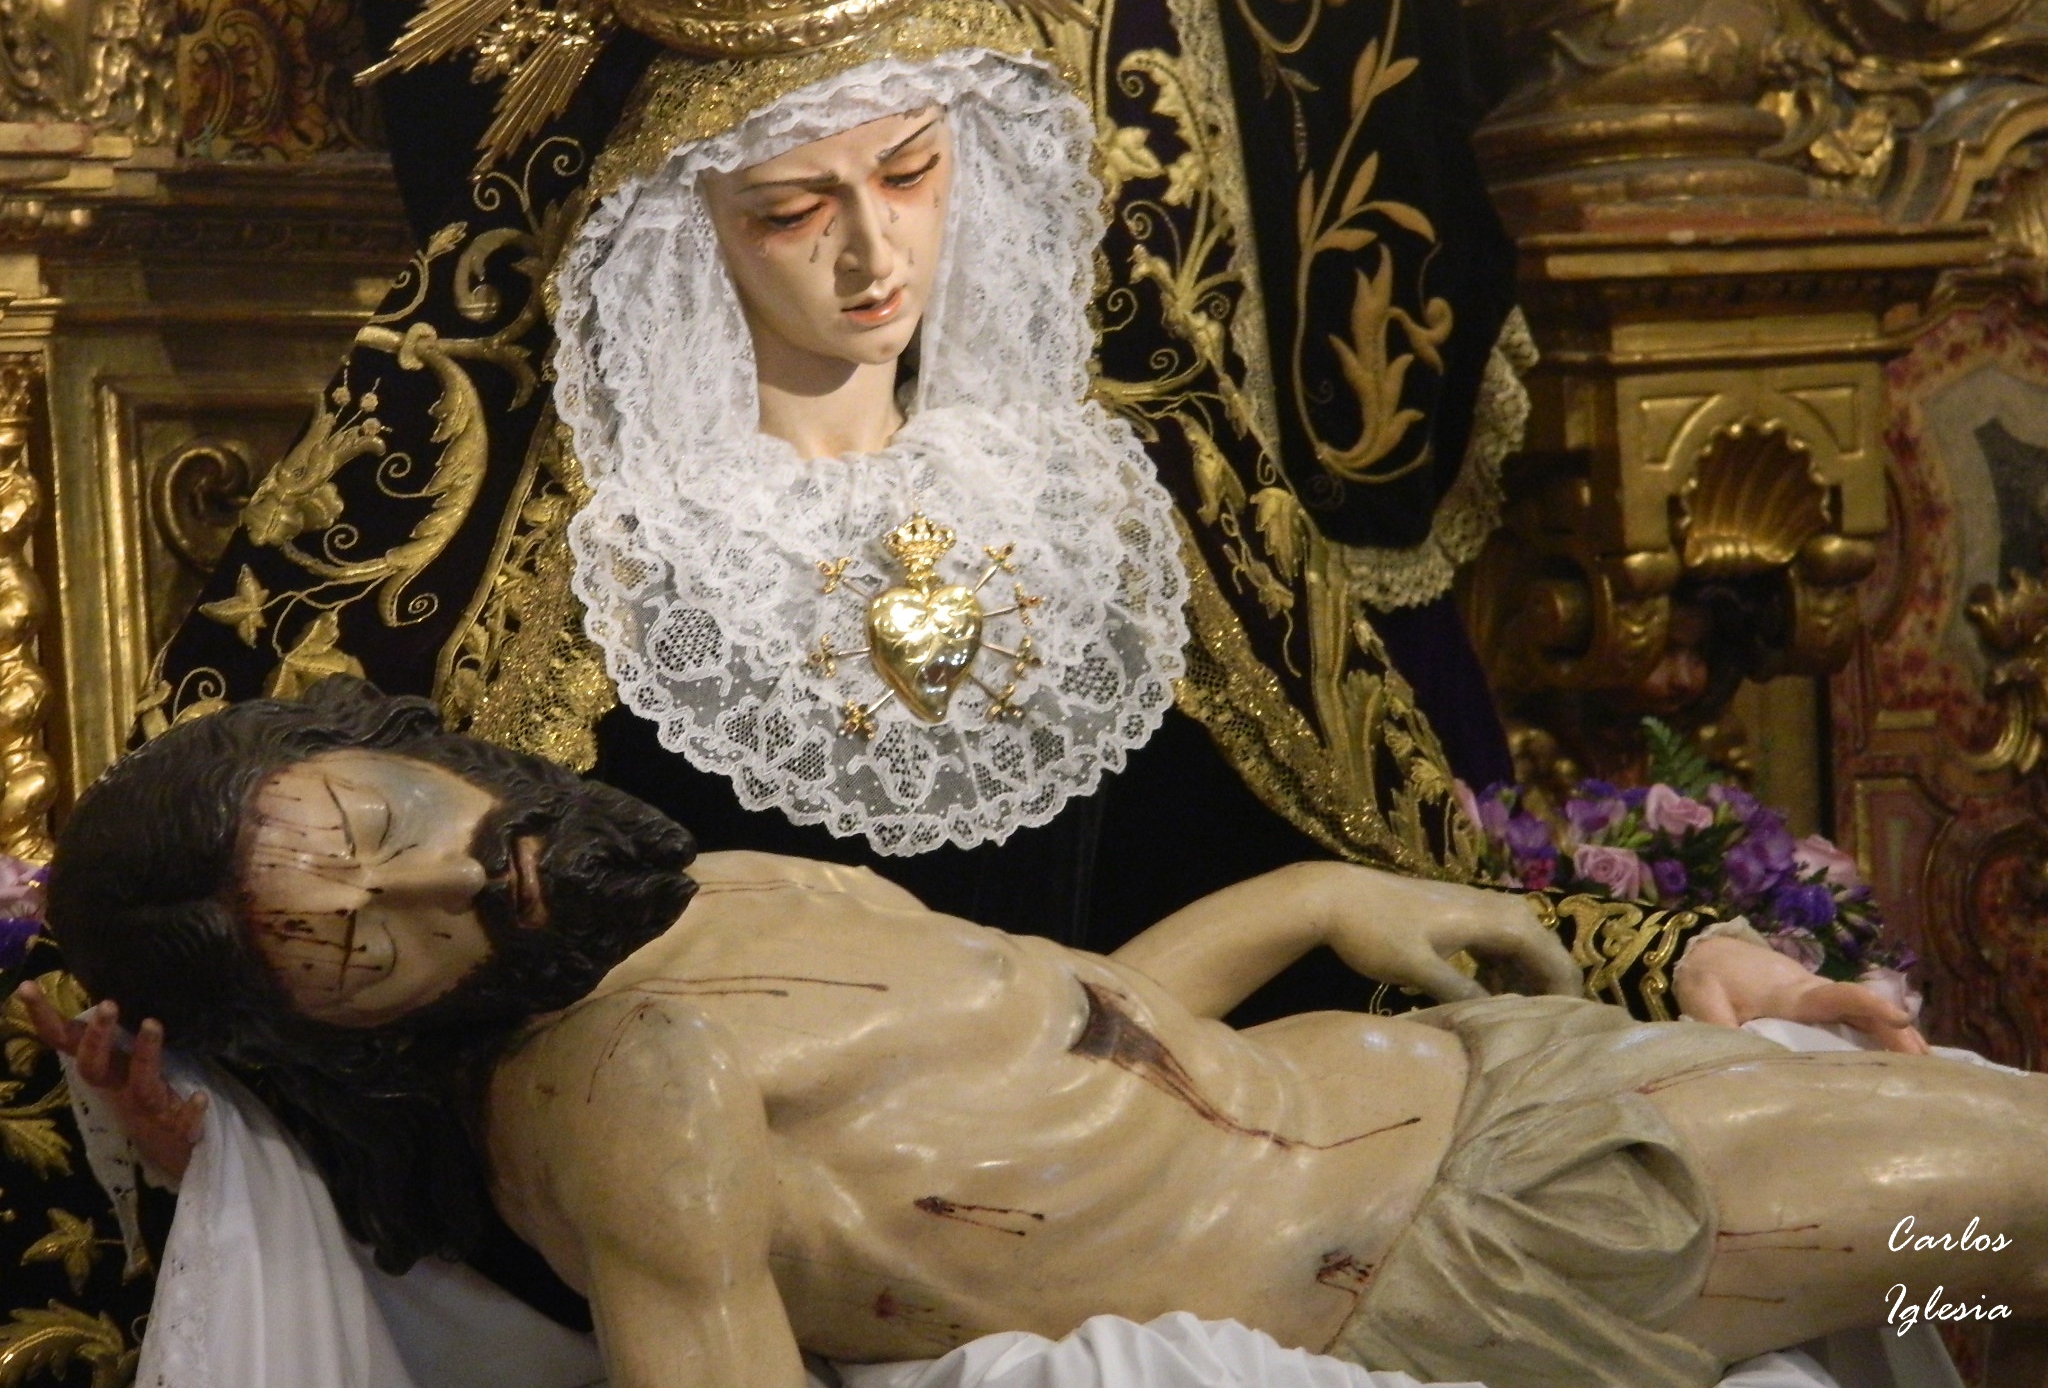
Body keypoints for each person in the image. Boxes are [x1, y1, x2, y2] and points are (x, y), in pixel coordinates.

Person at [36, 683, 1997, 1388]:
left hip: (1503, 1087)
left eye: (382, 823)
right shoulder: (623, 1090)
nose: (458, 881)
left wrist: (1314, 900)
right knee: (2005, 1229)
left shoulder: (710, 888)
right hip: (1480, 1239)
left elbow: (1068, 1034)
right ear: (351, 1044)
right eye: (363, 950)